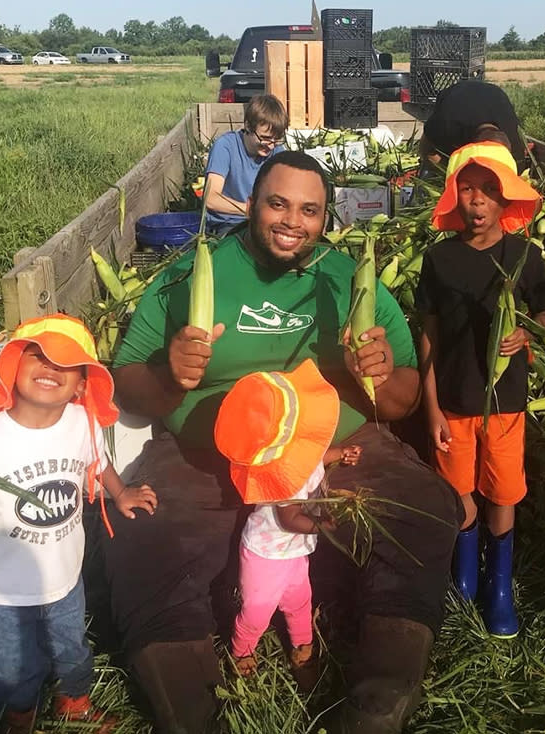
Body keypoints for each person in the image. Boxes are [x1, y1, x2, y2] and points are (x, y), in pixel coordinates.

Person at [104, 149, 462, 734]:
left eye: (310, 210)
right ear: (250, 205)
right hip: (208, 451)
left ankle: (376, 708)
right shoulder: (191, 275)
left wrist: (370, 371)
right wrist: (170, 374)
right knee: (145, 538)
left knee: (421, 511)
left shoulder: (348, 280)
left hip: (331, 447)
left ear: (326, 218)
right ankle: (193, 714)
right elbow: (127, 387)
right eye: (277, 203)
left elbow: (398, 403)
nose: (292, 221)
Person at [0, 315, 158, 734]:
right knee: (9, 665)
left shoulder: (81, 422)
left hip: (64, 577)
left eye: (66, 364)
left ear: (82, 385)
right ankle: (16, 717)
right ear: (13, 366)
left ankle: (73, 701)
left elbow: (97, 463)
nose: (49, 368)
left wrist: (119, 492)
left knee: (72, 648)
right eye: (38, 356)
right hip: (3, 591)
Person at [415, 139, 545, 637]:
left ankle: (499, 589)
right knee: (460, 492)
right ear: (454, 197)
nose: (476, 202)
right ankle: (466, 578)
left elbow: (543, 312)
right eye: (467, 190)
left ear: (505, 199)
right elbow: (426, 337)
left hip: (506, 404)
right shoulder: (439, 260)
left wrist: (528, 332)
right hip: (453, 402)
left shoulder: (525, 256)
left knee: (503, 491)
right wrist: (429, 407)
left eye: (488, 191)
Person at [214, 358, 361, 686]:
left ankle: (303, 646)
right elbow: (290, 517)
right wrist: (325, 525)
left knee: (299, 599)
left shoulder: (301, 454)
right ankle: (241, 650)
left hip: (294, 553)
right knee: (257, 610)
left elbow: (316, 461)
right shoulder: (280, 473)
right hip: (267, 555)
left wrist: (338, 453)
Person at [203, 93, 288, 232]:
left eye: (276, 139)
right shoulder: (225, 147)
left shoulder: (277, 151)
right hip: (228, 223)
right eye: (265, 138)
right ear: (248, 126)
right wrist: (250, 210)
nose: (271, 145)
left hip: (263, 222)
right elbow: (211, 199)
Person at [419, 80, 528, 168]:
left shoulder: (513, 136)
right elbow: (427, 150)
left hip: (493, 94)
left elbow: (518, 168)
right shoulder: (447, 121)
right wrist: (453, 173)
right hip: (457, 94)